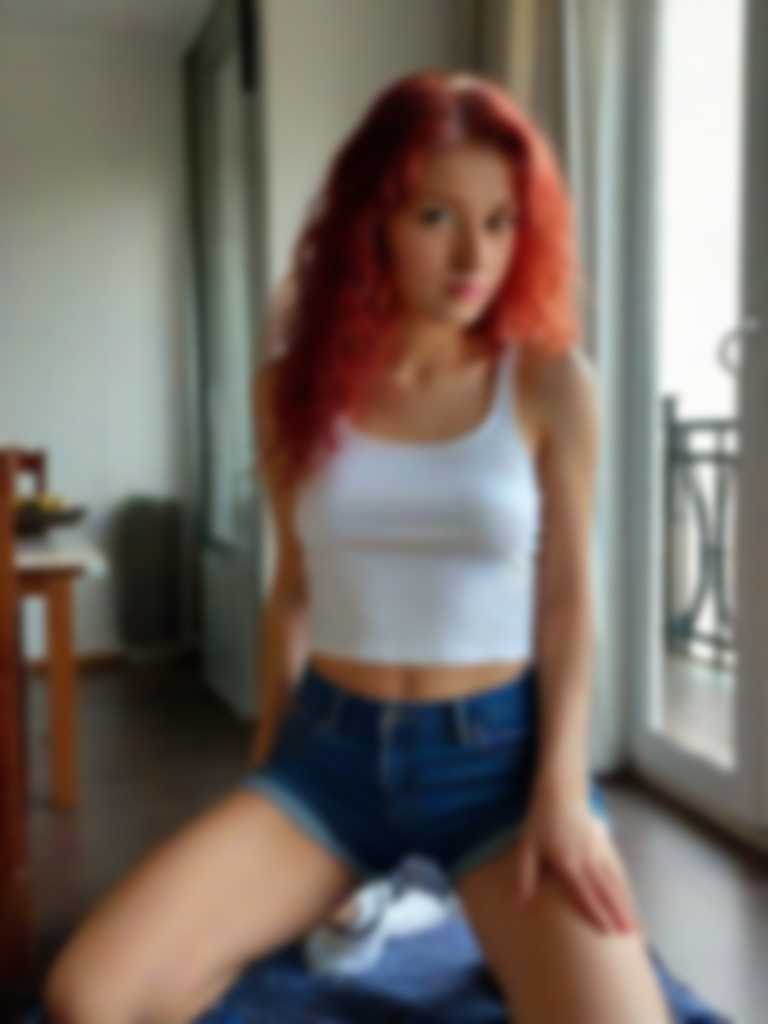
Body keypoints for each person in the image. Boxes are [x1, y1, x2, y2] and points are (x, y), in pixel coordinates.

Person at [43, 70, 672, 1023]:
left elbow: (569, 599)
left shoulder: (551, 383)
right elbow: (293, 588)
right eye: (437, 217)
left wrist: (562, 790)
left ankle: (443, 908)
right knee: (88, 998)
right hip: (328, 760)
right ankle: (366, 901)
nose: (475, 255)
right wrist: (265, 763)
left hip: (499, 766)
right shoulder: (289, 391)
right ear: (373, 220)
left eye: (501, 222)